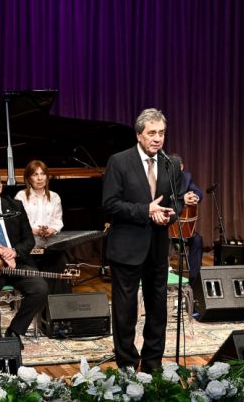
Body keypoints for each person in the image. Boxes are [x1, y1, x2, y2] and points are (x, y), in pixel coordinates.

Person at [102, 108, 184, 373]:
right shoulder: (119, 161)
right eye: (152, 133)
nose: (158, 138)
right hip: (127, 247)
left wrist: (168, 216)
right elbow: (110, 204)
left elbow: (178, 201)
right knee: (125, 312)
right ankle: (127, 364)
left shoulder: (171, 163)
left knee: (157, 309)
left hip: (158, 248)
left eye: (162, 133)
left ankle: (152, 364)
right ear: (139, 135)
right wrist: (146, 210)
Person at [0, 169, 48, 347]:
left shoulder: (15, 206)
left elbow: (28, 239)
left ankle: (14, 331)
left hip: (17, 263)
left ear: (0, 187)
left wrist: (14, 252)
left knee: (40, 288)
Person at [14, 160, 68, 294]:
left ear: (47, 177)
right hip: (28, 245)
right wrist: (34, 230)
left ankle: (54, 301)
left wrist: (51, 229)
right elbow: (17, 223)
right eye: (35, 174)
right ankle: (39, 297)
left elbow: (58, 221)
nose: (40, 178)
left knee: (61, 260)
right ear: (28, 179)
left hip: (48, 243)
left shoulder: (54, 197)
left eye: (43, 174)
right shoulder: (21, 196)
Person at [167, 153, 204, 283]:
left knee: (197, 240)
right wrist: (182, 198)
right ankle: (163, 277)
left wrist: (195, 197)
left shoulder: (187, 177)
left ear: (181, 167)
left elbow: (198, 192)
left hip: (182, 228)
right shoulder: (162, 177)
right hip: (165, 226)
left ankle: (195, 280)